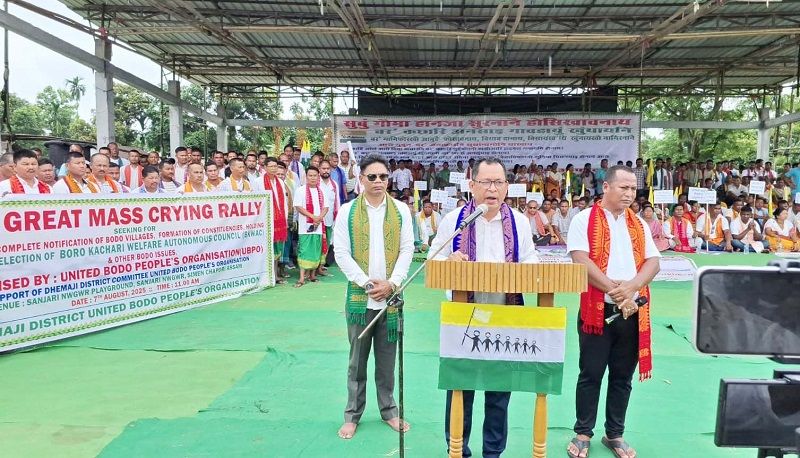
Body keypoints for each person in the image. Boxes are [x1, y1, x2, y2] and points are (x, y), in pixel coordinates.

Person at [429, 157, 539, 458]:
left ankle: (493, 452)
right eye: (486, 182)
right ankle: (457, 448)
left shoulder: (518, 221)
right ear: (472, 185)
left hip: (506, 314)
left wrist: (520, 271)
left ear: (507, 186)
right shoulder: (455, 220)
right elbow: (434, 258)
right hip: (464, 315)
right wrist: (449, 261)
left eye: (499, 182)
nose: (493, 189)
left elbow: (530, 259)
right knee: (460, 386)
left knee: (499, 390)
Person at [566, 165, 660, 458]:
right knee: (591, 373)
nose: (630, 194)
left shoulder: (639, 223)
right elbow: (580, 260)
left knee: (622, 376)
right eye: (624, 187)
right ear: (606, 187)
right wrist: (614, 290)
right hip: (597, 312)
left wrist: (632, 287)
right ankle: (583, 432)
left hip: (632, 312)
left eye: (633, 189)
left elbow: (653, 262)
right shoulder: (583, 219)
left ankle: (614, 434)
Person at [333, 153, 414, 440]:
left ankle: (389, 411)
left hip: (390, 298)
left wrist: (393, 283)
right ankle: (352, 415)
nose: (378, 181)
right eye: (372, 177)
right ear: (361, 179)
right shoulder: (347, 211)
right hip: (361, 298)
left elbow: (407, 249)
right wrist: (367, 284)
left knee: (387, 359)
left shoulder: (401, 210)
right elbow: (341, 253)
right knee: (357, 361)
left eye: (383, 176)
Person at [293, 166, 329, 286]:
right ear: (306, 176)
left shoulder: (322, 190)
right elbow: (298, 207)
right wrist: (313, 217)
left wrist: (319, 218)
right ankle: (301, 277)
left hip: (318, 225)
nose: (313, 178)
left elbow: (326, 207)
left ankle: (312, 275)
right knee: (304, 250)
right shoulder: (300, 190)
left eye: (315, 175)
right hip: (305, 227)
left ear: (318, 177)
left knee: (315, 250)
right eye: (310, 175)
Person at [262, 157, 290, 283]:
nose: (274, 168)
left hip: (280, 221)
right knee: (268, 249)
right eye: (271, 166)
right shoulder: (259, 182)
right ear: (265, 167)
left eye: (275, 166)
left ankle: (275, 275)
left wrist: (285, 219)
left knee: (278, 248)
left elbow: (284, 203)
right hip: (266, 221)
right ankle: (268, 276)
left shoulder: (280, 182)